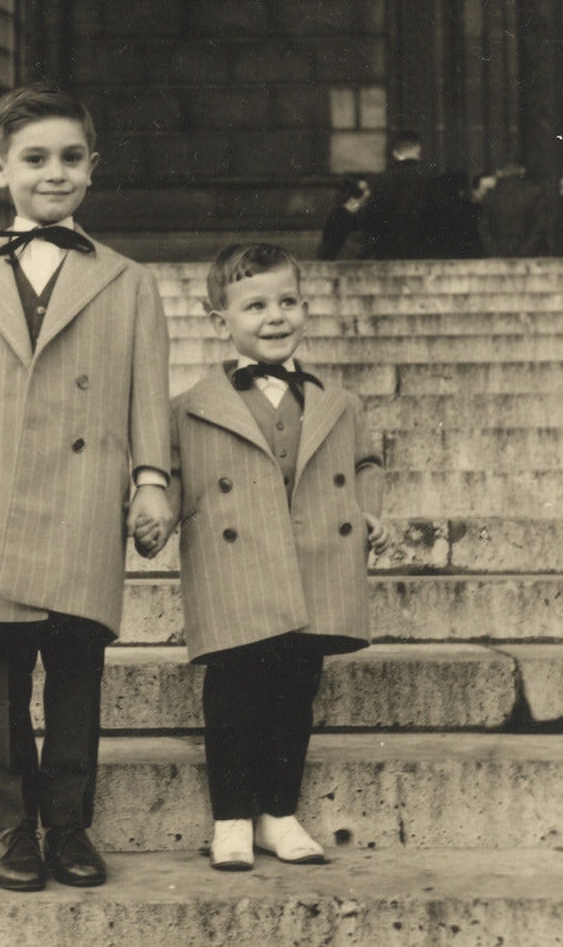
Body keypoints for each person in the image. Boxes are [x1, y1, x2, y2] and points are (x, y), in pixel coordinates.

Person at [0, 83, 172, 892]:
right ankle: (12, 829)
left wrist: (152, 481)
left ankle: (69, 825)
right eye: (34, 159)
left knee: (77, 671)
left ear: (92, 168)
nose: (52, 173)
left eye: (68, 158)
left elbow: (146, 393)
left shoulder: (128, 282)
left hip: (85, 491)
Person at [137, 243, 388, 872]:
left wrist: (371, 509)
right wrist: (156, 516)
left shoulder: (340, 402)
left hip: (313, 566)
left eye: (287, 302)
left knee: (294, 694)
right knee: (231, 697)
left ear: (304, 307)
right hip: (236, 576)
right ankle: (230, 820)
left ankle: (278, 813)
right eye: (255, 306)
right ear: (220, 320)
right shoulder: (189, 407)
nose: (275, 317)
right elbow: (163, 477)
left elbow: (365, 464)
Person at [354, 130, 433, 259]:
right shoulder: (429, 179)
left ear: (395, 153)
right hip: (422, 252)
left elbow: (370, 218)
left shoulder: (381, 181)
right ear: (418, 150)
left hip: (388, 251)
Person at [477, 161, 549, 257]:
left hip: (499, 256)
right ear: (522, 171)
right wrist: (527, 250)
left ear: (500, 172)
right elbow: (541, 225)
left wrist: (494, 252)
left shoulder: (491, 196)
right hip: (528, 256)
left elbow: (483, 228)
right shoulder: (534, 193)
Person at [315, 176, 371, 260]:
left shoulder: (361, 216)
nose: (368, 194)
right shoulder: (338, 216)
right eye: (364, 190)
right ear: (352, 195)